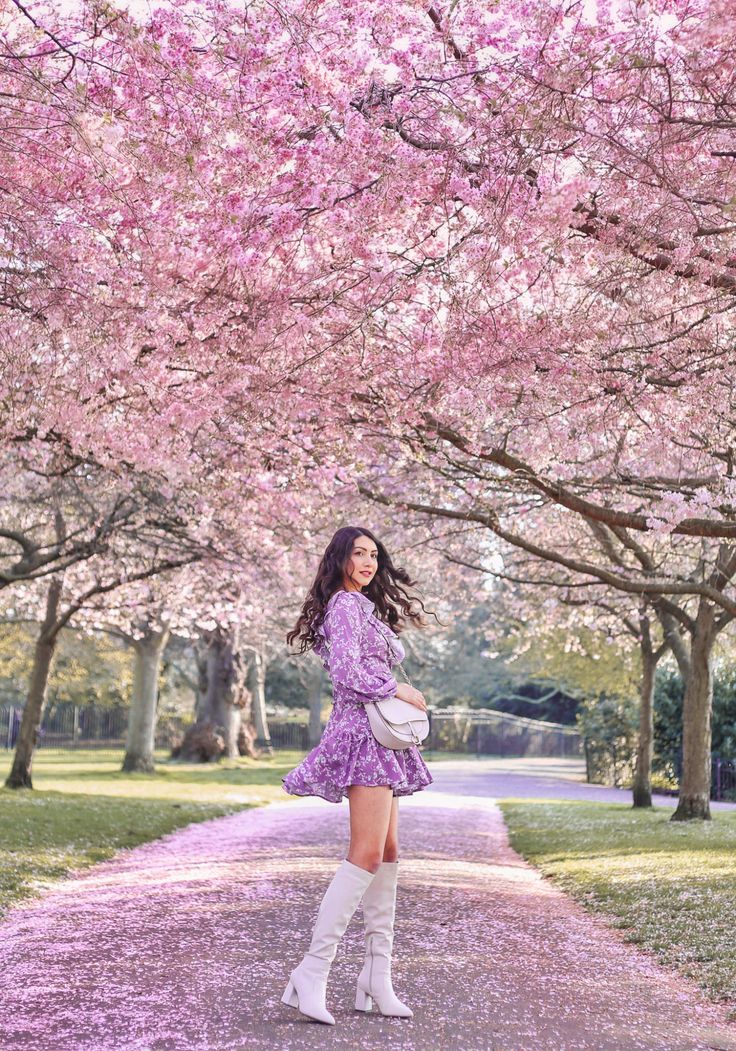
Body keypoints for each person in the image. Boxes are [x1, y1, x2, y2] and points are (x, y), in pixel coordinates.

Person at [280, 525, 434, 1025]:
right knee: (366, 852)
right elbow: (347, 671)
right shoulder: (345, 607)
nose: (368, 562)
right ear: (340, 559)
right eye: (358, 554)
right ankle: (313, 970)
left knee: (388, 851)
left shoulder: (361, 606)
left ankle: (376, 977)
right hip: (363, 736)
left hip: (379, 737)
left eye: (373, 554)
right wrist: (399, 690)